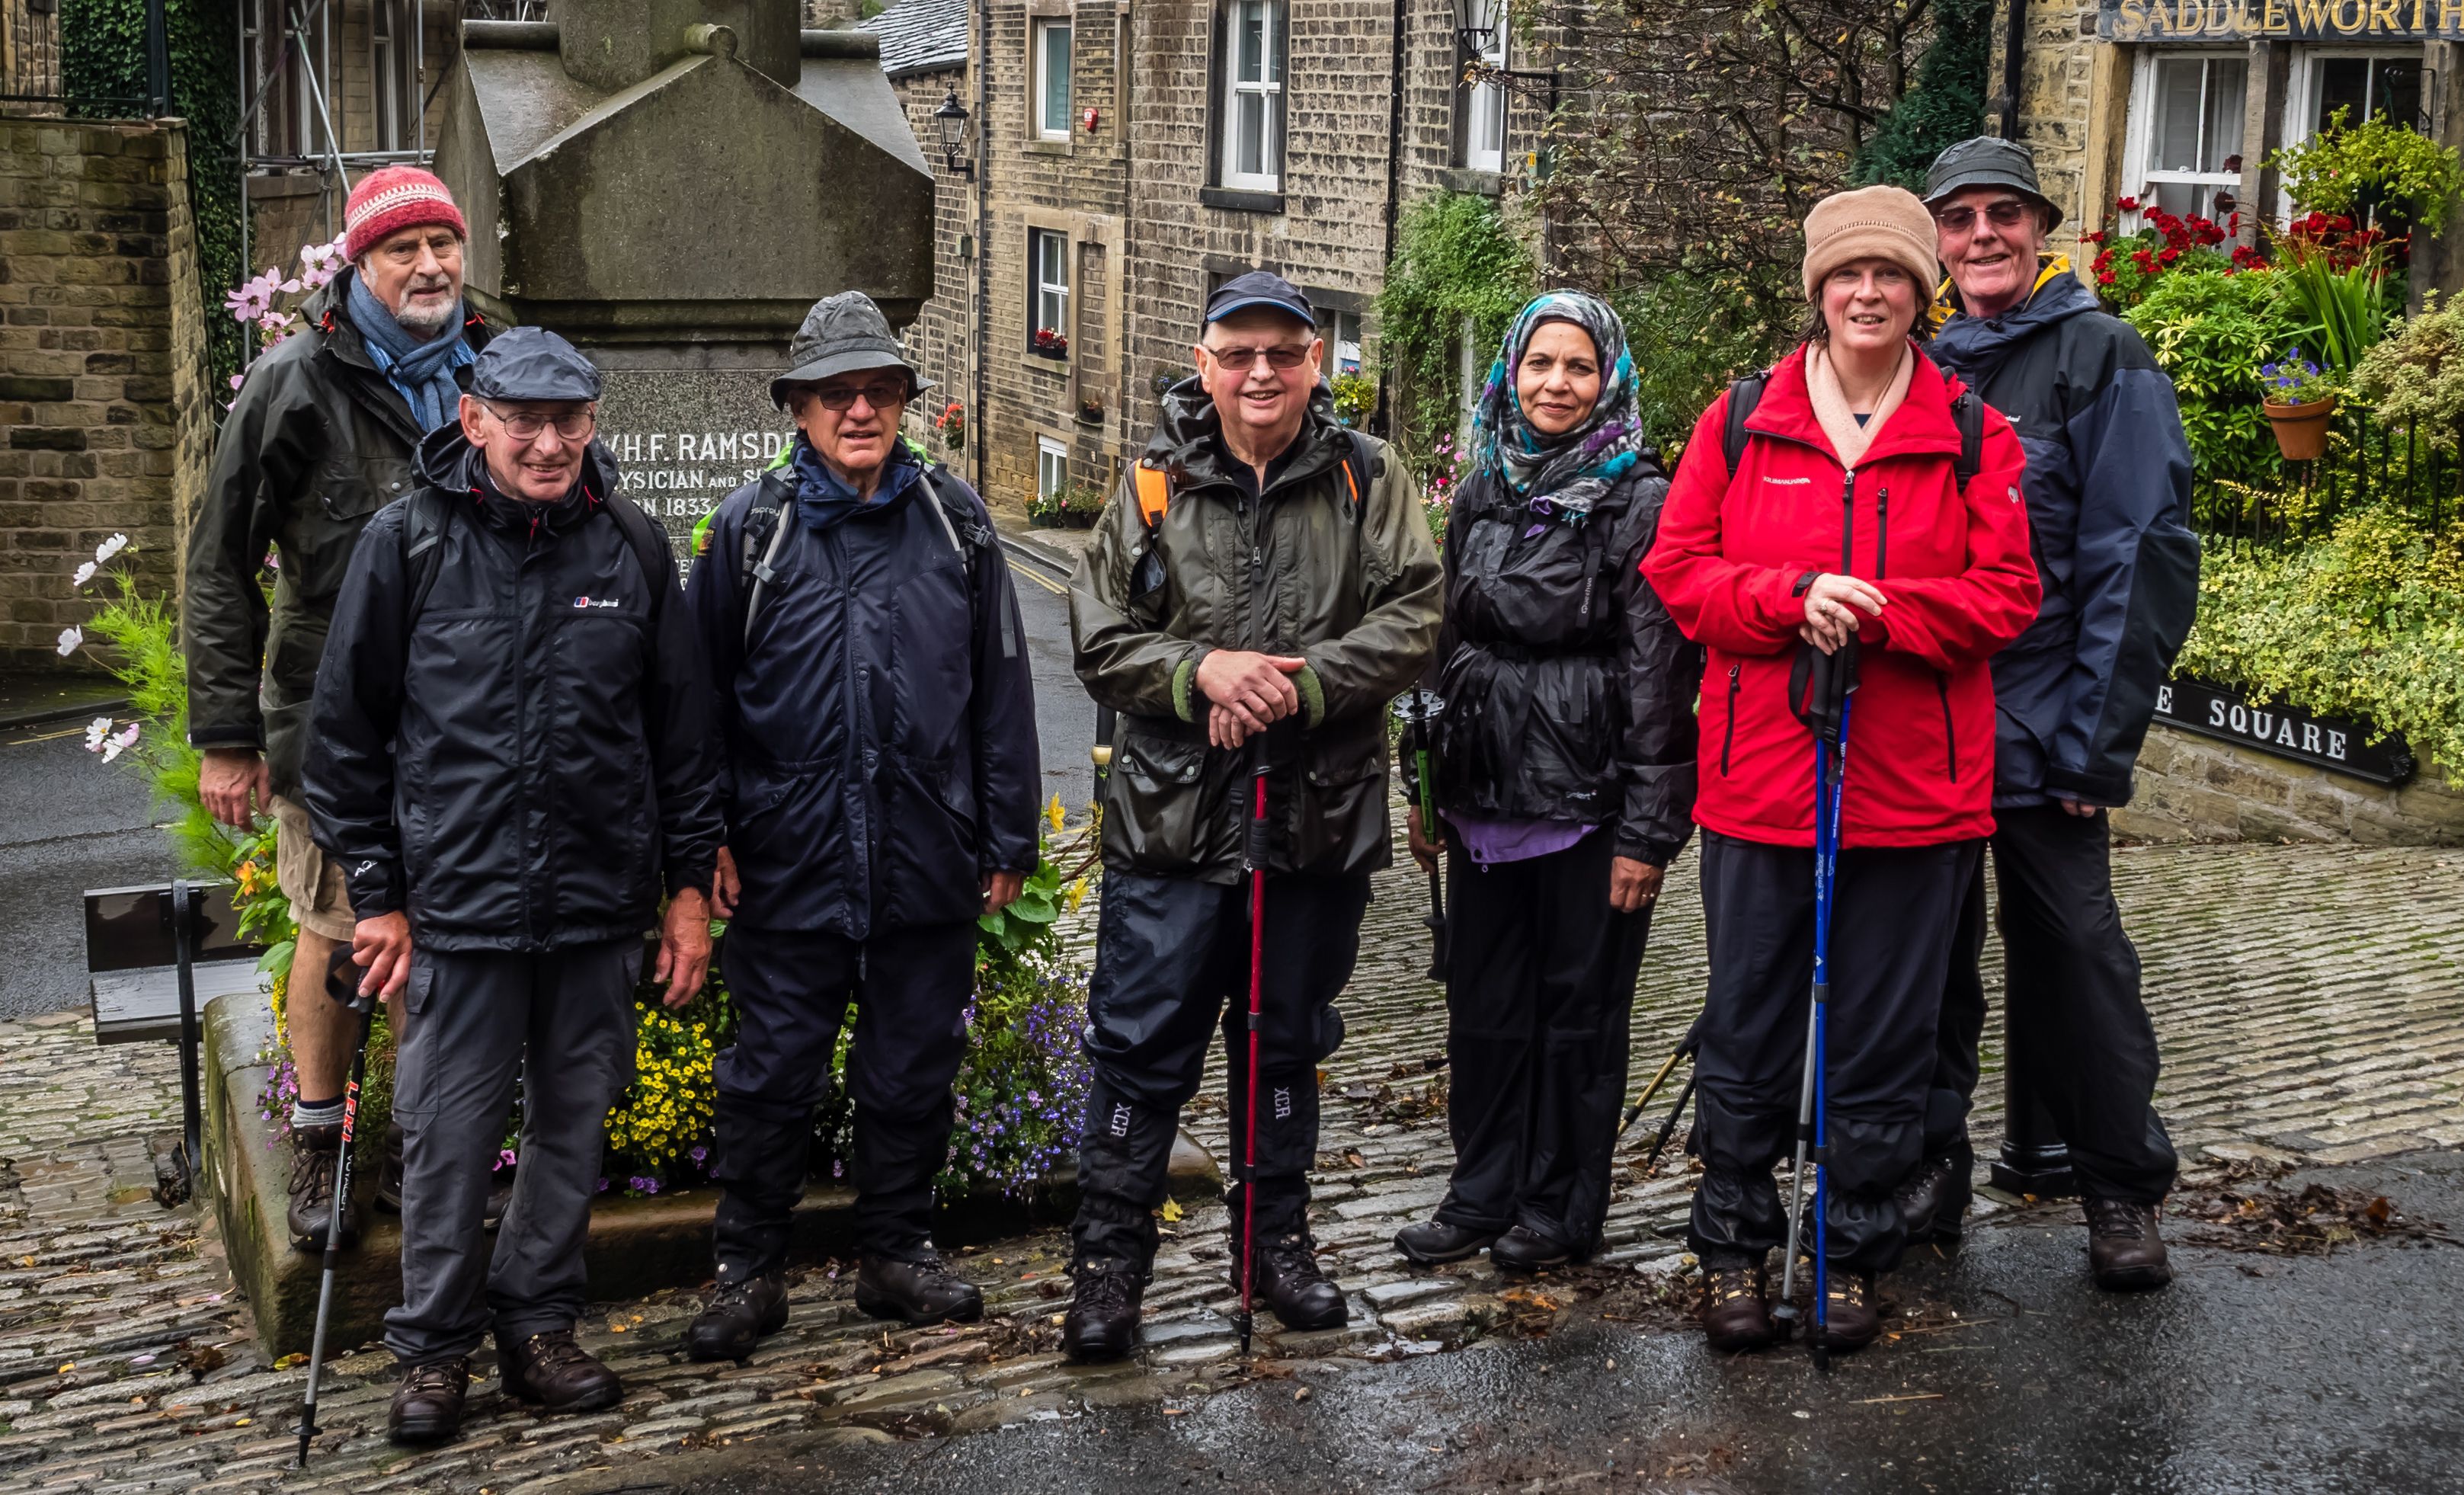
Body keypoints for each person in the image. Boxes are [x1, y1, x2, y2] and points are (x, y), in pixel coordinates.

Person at [305, 328, 723, 1443]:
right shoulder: (408, 544)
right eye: (523, 419)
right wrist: (381, 895)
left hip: (595, 907)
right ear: (472, 416)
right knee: (446, 1132)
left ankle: (538, 1324)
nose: (548, 442)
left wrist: (686, 893)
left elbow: (682, 742)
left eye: (569, 419)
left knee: (571, 1129)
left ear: (593, 421)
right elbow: (343, 743)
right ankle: (434, 1349)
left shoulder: (630, 548)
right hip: (459, 908)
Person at [1643, 185, 2040, 1353]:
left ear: (1921, 295)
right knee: (1747, 1022)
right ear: (1815, 290)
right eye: (1844, 276)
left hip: (1915, 794)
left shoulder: (1974, 433)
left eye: (1889, 277)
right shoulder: (1738, 420)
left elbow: (2008, 594)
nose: (1865, 295)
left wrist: (1881, 615)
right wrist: (1786, 598)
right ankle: (1730, 1248)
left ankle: (1849, 1251)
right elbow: (1678, 570)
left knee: (1881, 1036)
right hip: (1763, 782)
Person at [1061, 270, 1444, 1361]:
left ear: (1314, 360)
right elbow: (1098, 636)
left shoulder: (1367, 479)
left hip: (1311, 823)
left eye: (1283, 351)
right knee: (1138, 1052)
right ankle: (1108, 1266)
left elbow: (1416, 613)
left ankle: (1274, 1245)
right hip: (1169, 830)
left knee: (1284, 1045)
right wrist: (1205, 672)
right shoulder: (1149, 484)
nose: (1261, 373)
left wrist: (1304, 683)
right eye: (1239, 354)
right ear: (1205, 362)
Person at [680, 293, 1040, 1358]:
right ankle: (748, 1268)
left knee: (909, 1065)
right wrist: (705, 843)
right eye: (838, 394)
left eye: (879, 391)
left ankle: (896, 1249)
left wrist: (1007, 836)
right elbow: (698, 707)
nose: (860, 411)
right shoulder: (752, 530)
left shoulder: (955, 521)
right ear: (799, 407)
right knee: (770, 1075)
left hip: (925, 844)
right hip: (787, 859)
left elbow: (1000, 690)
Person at [185, 165, 491, 1251]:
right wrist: (226, 736)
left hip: (466, 721)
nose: (428, 268)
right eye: (401, 250)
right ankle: (321, 1139)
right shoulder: (293, 382)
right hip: (328, 718)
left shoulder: (495, 371)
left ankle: (416, 1147)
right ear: (359, 264)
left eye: (441, 246)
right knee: (335, 932)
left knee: (443, 938)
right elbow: (219, 565)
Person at [1915, 136, 2201, 1289]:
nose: (1982, 234)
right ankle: (1925, 1165)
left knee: (2078, 959)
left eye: (2003, 214)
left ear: (2042, 228)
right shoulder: (1917, 364)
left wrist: (2096, 740)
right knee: (1923, 964)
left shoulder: (2101, 355)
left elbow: (2137, 556)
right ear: (1935, 239)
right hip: (1923, 734)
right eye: (1960, 217)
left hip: (2043, 731)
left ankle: (2117, 1188)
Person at [1388, 290, 1698, 1273]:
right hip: (1484, 799)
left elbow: (1659, 676)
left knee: (1578, 1016)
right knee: (1482, 1008)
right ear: (1509, 375)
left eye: (1578, 368)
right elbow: (1441, 648)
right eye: (1539, 365)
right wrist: (1425, 788)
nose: (1556, 385)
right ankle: (1481, 1192)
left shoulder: (1639, 497)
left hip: (1588, 806)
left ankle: (1561, 1205)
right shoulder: (1485, 485)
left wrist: (1650, 833)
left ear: (1610, 380)